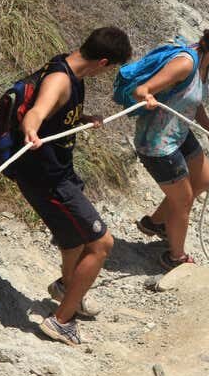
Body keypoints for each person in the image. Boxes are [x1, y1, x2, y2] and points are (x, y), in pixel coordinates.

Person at [15, 27, 132, 346]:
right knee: (101, 243)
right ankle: (60, 321)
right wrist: (31, 131)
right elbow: (38, 111)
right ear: (104, 61)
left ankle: (68, 288)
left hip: (59, 172)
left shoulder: (70, 67)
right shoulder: (61, 79)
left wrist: (81, 119)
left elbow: (56, 114)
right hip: (48, 178)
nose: (107, 74)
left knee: (73, 239)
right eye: (111, 69)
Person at [133, 26, 209, 270]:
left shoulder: (204, 64)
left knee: (203, 179)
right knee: (183, 201)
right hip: (157, 142)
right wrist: (147, 96)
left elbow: (195, 102)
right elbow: (141, 90)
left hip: (178, 132)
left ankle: (155, 224)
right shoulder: (186, 63)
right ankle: (174, 257)